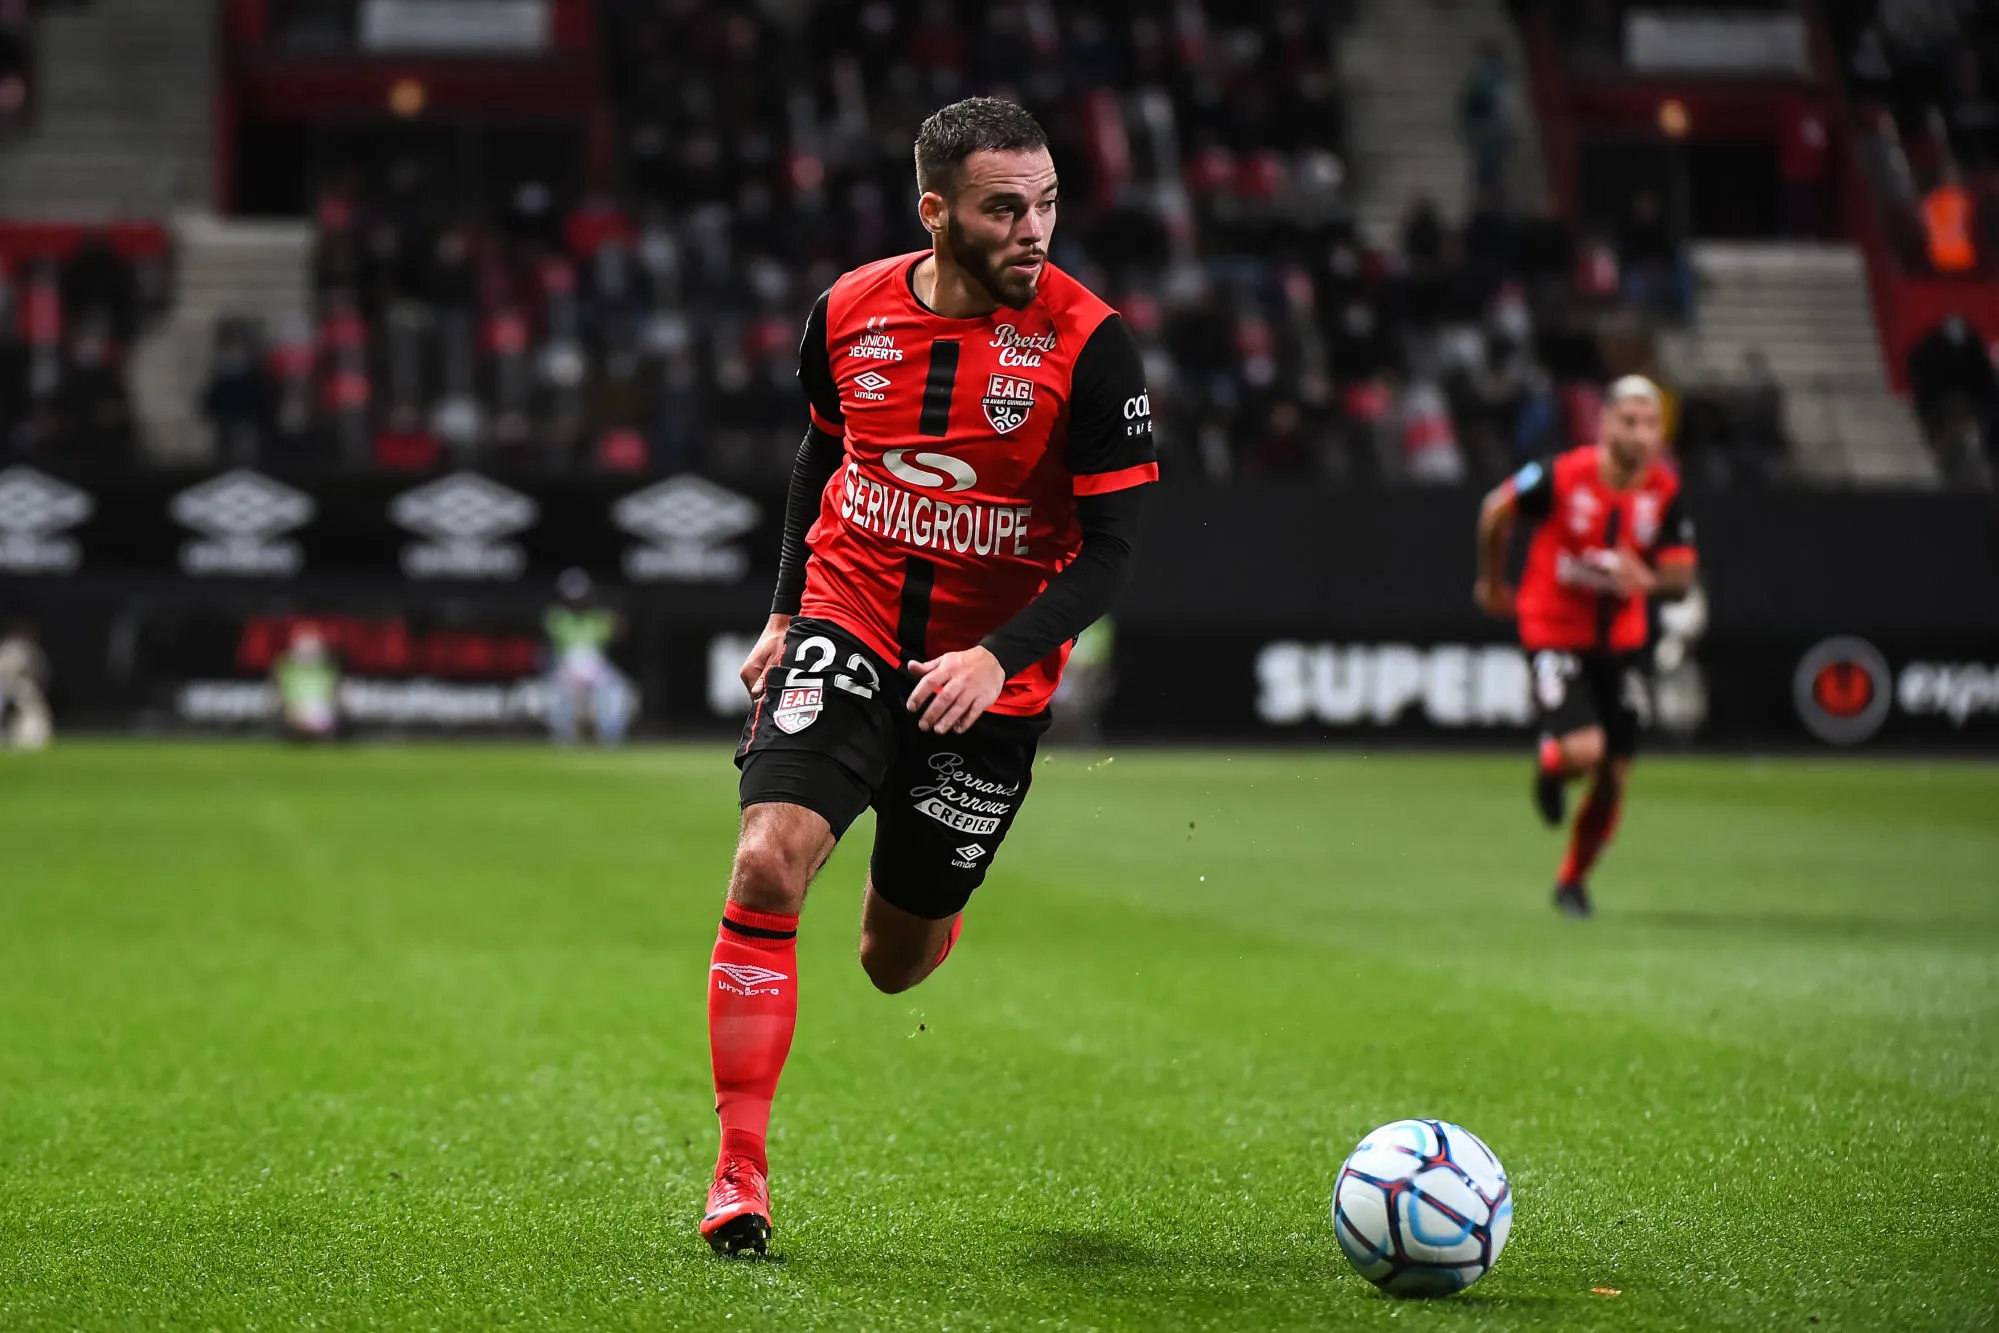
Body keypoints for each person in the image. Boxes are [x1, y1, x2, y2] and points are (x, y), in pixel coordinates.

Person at [701, 97, 1157, 1255]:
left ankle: (926, 908)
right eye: (1006, 208)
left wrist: (994, 654)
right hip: (846, 622)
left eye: (1047, 203)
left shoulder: (1093, 349)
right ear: (936, 213)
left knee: (892, 963)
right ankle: (737, 1174)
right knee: (766, 861)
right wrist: (785, 610)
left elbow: (1111, 552)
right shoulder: (846, 311)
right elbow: (823, 447)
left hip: (990, 684)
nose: (1033, 230)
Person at [1472, 376, 1698, 918]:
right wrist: (1491, 584)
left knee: (1614, 776)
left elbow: (1682, 575)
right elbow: (1494, 510)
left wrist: (1648, 580)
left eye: (1650, 424)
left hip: (1622, 643)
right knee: (1583, 750)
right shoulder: (1560, 475)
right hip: (1554, 629)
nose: (1641, 434)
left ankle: (1572, 882)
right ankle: (1552, 766)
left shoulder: (1664, 491)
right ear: (1605, 423)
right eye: (1630, 421)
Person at [544, 568, 634, 746]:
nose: (576, 602)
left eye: (580, 597)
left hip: (595, 665)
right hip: (568, 664)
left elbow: (620, 628)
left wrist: (616, 615)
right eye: (572, 598)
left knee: (618, 690)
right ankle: (563, 735)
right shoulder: (556, 616)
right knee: (557, 693)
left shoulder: (599, 617)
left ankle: (610, 733)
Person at [273, 625, 340, 741]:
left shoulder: (328, 669)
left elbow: (333, 693)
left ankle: (312, 734)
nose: (308, 651)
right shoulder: (287, 668)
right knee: (294, 714)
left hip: (320, 708)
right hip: (296, 707)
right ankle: (303, 733)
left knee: (323, 716)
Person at [0, 619, 52, 750]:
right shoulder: (13, 646)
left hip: (21, 692)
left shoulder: (28, 648)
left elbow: (41, 674)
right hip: (7, 689)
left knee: (36, 727)